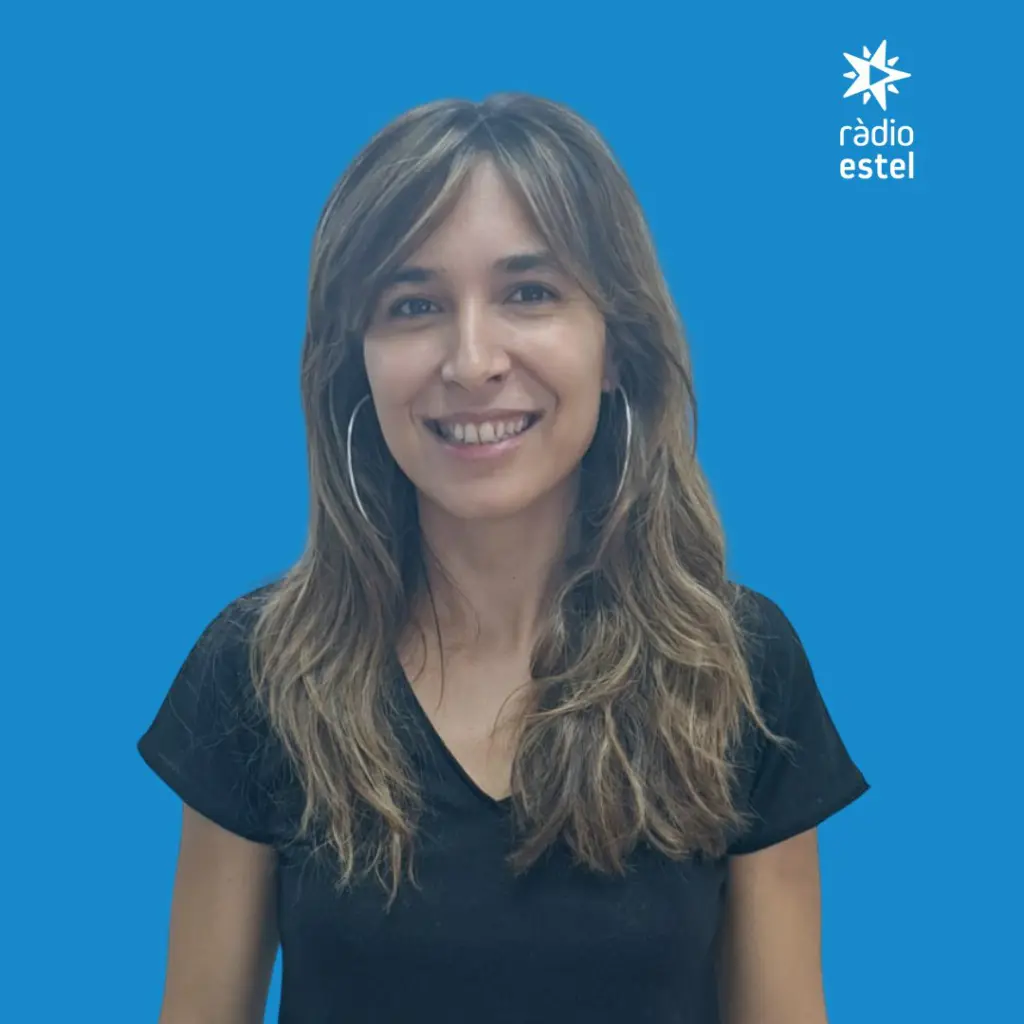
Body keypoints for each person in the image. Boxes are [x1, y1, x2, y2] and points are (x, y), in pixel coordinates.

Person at [138, 92, 869, 1024]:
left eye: (530, 293)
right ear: (356, 363)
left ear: (615, 346)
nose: (472, 360)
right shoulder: (255, 672)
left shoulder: (741, 667)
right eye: (414, 305)